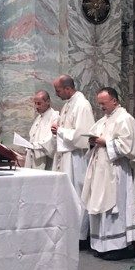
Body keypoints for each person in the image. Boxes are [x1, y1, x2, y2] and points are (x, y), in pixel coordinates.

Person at [82, 87, 135, 260]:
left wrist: (105, 142)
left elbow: (128, 147)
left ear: (114, 101)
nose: (101, 107)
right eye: (99, 103)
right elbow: (95, 140)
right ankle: (102, 245)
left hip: (117, 172)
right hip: (101, 171)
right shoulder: (103, 120)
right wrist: (92, 142)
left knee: (115, 209)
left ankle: (118, 247)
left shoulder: (125, 119)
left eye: (103, 103)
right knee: (101, 207)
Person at [51, 75, 95, 248]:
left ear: (68, 89)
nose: (57, 94)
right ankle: (69, 233)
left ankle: (80, 236)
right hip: (66, 157)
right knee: (67, 196)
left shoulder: (82, 105)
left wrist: (60, 130)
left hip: (77, 159)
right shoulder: (68, 104)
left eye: (58, 90)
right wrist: (57, 130)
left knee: (77, 195)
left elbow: (82, 136)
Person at [23, 90, 58, 170]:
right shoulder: (39, 118)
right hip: (33, 156)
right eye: (35, 103)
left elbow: (53, 139)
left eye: (39, 103)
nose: (36, 106)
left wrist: (35, 146)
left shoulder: (54, 116)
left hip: (46, 160)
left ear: (48, 102)